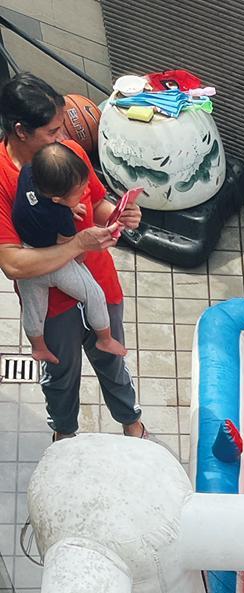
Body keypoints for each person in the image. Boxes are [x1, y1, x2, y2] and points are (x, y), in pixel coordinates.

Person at [0, 73, 145, 442]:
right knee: (60, 377)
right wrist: (78, 245)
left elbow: (96, 203)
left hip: (100, 283)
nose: (62, 138)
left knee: (113, 362)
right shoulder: (2, 179)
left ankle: (132, 423)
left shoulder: (69, 153)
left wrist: (119, 215)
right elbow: (13, 263)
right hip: (52, 305)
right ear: (21, 131)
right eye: (52, 132)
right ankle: (64, 435)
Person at [13, 143, 126, 364]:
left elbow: (41, 200)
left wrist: (69, 204)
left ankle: (38, 347)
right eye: (79, 193)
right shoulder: (62, 218)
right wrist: (86, 246)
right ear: (57, 199)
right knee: (94, 294)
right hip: (53, 264)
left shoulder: (27, 174)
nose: (84, 194)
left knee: (34, 309)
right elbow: (71, 252)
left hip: (28, 258)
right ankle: (104, 339)